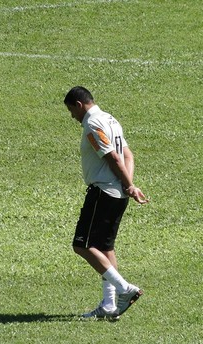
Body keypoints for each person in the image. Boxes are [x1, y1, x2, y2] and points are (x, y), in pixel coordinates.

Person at [63, 86, 149, 320]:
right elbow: (128, 155)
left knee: (82, 245)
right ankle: (110, 305)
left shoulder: (92, 124)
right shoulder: (111, 119)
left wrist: (128, 185)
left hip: (103, 191)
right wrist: (127, 185)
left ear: (79, 105)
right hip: (117, 193)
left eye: (72, 111)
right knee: (106, 247)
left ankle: (124, 289)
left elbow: (112, 156)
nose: (73, 117)